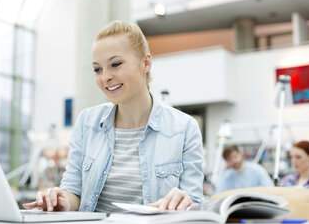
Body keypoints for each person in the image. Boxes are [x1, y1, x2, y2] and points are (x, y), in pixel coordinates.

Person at [23, 21, 204, 213]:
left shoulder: (184, 128)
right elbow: (73, 191)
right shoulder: (87, 122)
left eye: (115, 64)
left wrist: (186, 202)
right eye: (97, 69)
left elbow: (194, 202)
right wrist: (61, 200)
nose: (105, 77)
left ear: (146, 63)